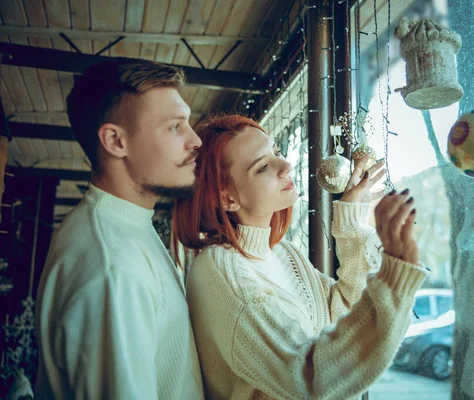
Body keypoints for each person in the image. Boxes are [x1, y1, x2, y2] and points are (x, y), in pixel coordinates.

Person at [172, 115, 429, 400]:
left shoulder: (283, 253)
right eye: (263, 167)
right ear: (228, 198)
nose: (286, 165)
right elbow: (311, 377)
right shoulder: (221, 272)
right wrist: (395, 275)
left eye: (276, 152)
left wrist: (351, 219)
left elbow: (342, 310)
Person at [34, 58, 204, 399]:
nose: (195, 140)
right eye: (174, 126)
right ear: (115, 141)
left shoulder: (123, 226)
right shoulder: (113, 267)